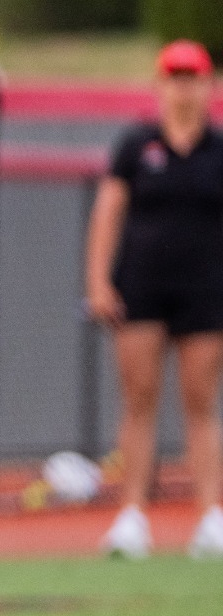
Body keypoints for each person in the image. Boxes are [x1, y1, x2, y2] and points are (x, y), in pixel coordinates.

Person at [87, 39, 223, 560]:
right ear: (160, 85)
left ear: (208, 86)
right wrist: (99, 281)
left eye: (193, 78)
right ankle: (132, 517)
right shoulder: (135, 146)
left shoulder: (217, 150)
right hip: (141, 287)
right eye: (174, 77)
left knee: (201, 403)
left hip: (205, 291)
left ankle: (210, 515)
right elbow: (107, 215)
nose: (184, 88)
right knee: (138, 399)